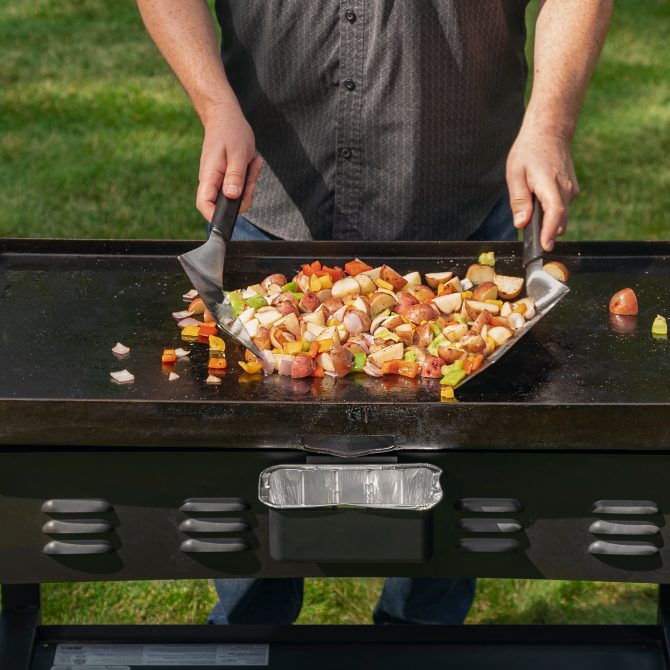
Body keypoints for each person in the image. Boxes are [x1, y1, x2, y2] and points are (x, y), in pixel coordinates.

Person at [137, 0, 612, 624]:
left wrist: (548, 124)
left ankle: (420, 640)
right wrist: (214, 101)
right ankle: (252, 639)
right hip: (273, 205)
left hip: (462, 213)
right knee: (254, 480)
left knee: (452, 491)